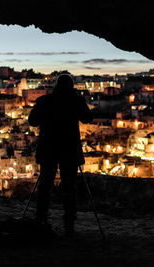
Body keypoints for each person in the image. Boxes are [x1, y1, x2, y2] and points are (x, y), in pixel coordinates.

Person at [28, 74, 92, 236]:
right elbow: (88, 118)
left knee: (45, 186)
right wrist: (79, 102)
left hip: (48, 147)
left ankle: (41, 220)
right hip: (69, 149)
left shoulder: (44, 101)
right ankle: (69, 225)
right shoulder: (76, 101)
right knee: (70, 188)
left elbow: (32, 121)